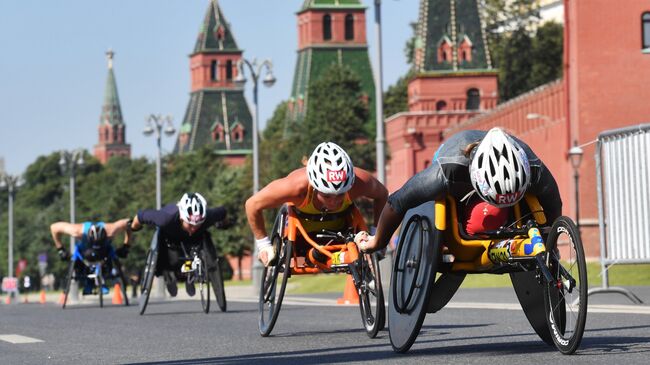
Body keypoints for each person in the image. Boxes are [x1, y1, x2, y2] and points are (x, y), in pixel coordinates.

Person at [355, 127, 562, 253]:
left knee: (504, 210)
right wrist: (378, 242)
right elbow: (397, 202)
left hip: (512, 184)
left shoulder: (535, 170)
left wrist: (549, 244)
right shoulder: (446, 172)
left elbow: (554, 206)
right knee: (477, 217)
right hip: (454, 157)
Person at [245, 141, 388, 267]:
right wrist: (263, 244)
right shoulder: (296, 187)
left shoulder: (359, 182)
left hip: (342, 232)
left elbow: (382, 195)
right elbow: (252, 204)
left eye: (340, 195)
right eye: (326, 196)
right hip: (302, 238)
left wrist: (377, 234)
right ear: (314, 186)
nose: (334, 201)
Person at [130, 192, 227, 297]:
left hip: (192, 241)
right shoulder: (165, 218)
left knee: (196, 245)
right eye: (190, 224)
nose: (193, 228)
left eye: (197, 224)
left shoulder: (208, 217)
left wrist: (224, 224)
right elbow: (140, 216)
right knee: (173, 257)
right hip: (170, 238)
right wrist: (133, 227)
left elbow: (223, 212)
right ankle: (168, 273)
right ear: (182, 218)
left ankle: (188, 274)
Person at [50, 219, 131, 294]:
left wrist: (126, 245)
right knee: (77, 257)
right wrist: (60, 249)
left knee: (110, 254)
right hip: (85, 251)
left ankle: (105, 276)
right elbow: (54, 227)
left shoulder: (111, 230)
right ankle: (88, 282)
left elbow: (129, 222)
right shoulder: (77, 231)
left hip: (104, 251)